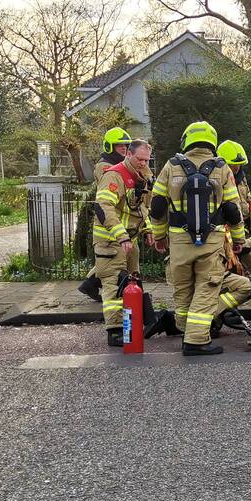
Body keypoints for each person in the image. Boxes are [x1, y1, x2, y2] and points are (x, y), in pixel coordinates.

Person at [148, 121, 245, 356]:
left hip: (179, 242)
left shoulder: (171, 166)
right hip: (211, 242)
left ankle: (185, 329)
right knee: (207, 287)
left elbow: (157, 206)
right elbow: (234, 208)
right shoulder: (222, 168)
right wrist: (239, 239)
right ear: (211, 141)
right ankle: (196, 340)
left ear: (186, 139)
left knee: (182, 289)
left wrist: (159, 236)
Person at [92, 139, 153, 347]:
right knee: (113, 284)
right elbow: (104, 207)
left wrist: (148, 229)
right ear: (128, 154)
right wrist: (122, 236)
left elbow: (143, 207)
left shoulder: (143, 176)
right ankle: (116, 330)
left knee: (131, 283)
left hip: (129, 240)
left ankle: (131, 324)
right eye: (140, 159)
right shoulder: (114, 175)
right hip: (110, 241)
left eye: (147, 160)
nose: (144, 164)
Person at [78, 127, 134, 301]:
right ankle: (91, 286)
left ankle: (89, 285)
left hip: (120, 221)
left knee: (112, 261)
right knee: (111, 262)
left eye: (125, 145)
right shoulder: (105, 167)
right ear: (110, 147)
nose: (123, 148)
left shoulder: (118, 164)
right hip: (109, 224)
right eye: (119, 146)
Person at [217, 140, 251, 292]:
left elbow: (249, 199)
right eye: (233, 165)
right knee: (232, 271)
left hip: (242, 230)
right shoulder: (218, 180)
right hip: (226, 234)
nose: (236, 168)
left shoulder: (240, 178)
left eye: (239, 164)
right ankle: (227, 308)